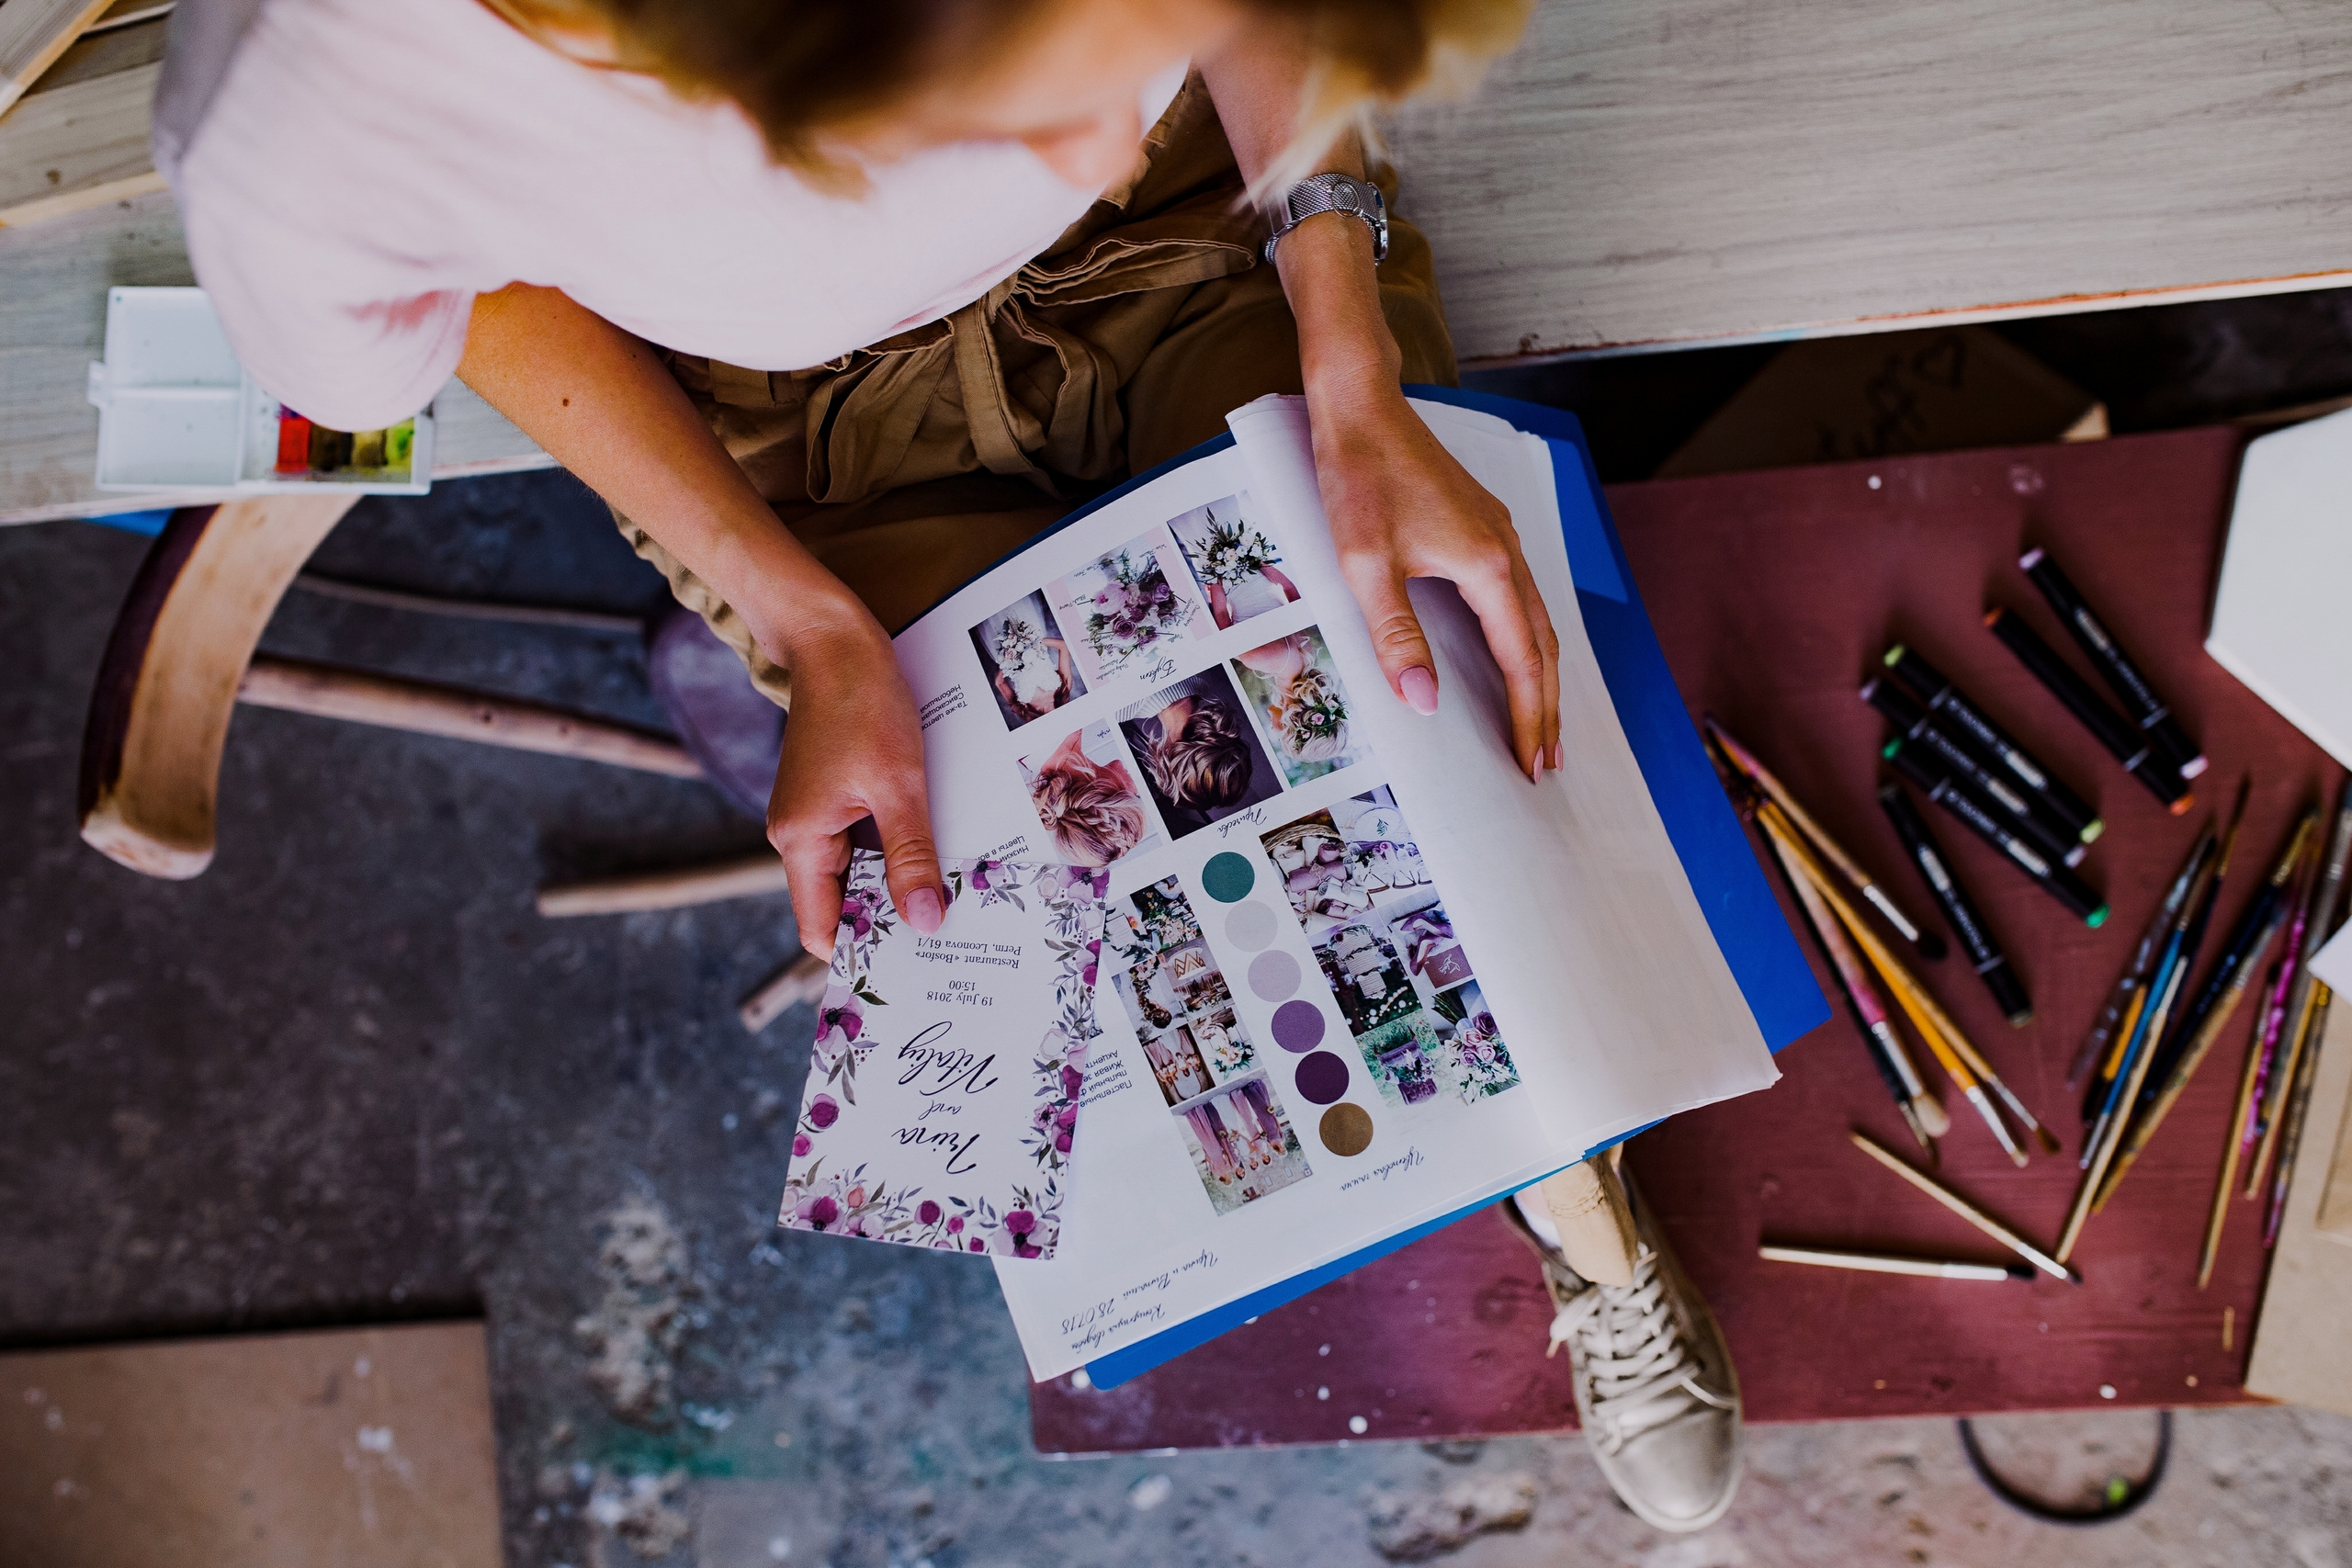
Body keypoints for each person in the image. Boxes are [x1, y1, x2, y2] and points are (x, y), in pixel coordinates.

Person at [162, 0, 1732, 1530]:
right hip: (792, 432)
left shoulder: (1127, 117)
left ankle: (1570, 1182)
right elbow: (475, 292)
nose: (1103, 132)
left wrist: (1348, 348)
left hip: (1197, 237)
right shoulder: (295, 121)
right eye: (1045, 108)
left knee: (1423, 763)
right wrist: (798, 614)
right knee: (1038, 905)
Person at [1024, 727, 1147, 864]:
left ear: (1103, 793)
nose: (1137, 788)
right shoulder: (1055, 745)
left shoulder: (1039, 738)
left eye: (1135, 796)